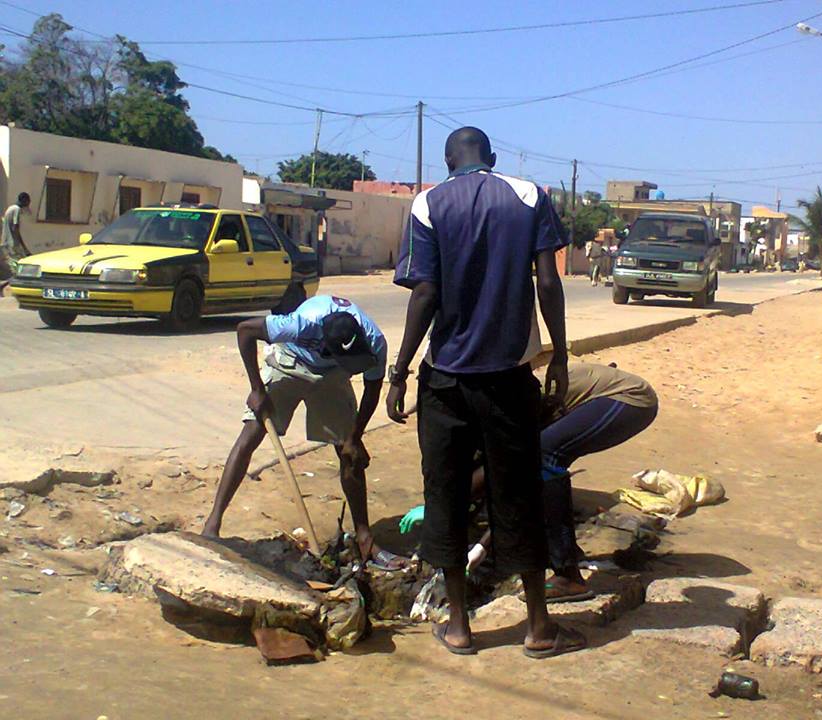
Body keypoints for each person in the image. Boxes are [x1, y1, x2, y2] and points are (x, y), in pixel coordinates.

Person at [387, 126, 585, 658]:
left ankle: (458, 627)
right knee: (516, 494)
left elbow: (424, 292)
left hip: (446, 382)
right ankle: (539, 627)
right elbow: (548, 283)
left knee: (445, 494)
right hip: (509, 380)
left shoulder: (427, 205)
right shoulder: (528, 196)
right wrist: (560, 355)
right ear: (491, 158)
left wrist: (400, 370)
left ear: (449, 161)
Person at [401, 362, 659, 602]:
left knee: (547, 456)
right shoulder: (491, 416)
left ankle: (568, 577)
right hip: (600, 402)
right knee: (543, 461)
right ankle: (566, 553)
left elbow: (508, 478)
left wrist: (446, 513)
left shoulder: (506, 408)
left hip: (629, 399)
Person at [202, 294, 405, 571]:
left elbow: (372, 388)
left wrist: (355, 436)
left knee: (350, 453)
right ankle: (212, 526)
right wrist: (257, 388)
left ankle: (364, 537)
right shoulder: (301, 324)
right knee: (251, 433)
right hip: (292, 360)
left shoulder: (374, 341)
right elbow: (245, 331)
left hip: (332, 375)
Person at [1, 192, 32, 292]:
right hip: (13, 243)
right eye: (27, 202)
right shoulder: (16, 209)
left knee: (16, 268)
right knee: (21, 266)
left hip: (6, 243)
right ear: (23, 200)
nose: (28, 204)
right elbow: (15, 227)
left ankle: (4, 286)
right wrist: (23, 245)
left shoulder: (9, 208)